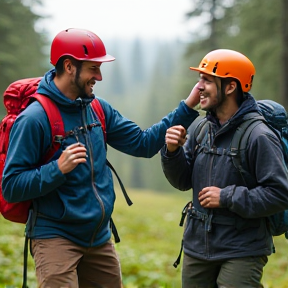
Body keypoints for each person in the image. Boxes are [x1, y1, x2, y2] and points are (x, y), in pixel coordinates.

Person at [2, 28, 200, 288]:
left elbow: (143, 143)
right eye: (93, 68)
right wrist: (57, 169)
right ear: (69, 66)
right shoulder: (34, 119)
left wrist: (188, 105)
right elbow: (11, 186)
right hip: (55, 240)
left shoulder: (96, 108)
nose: (99, 76)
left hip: (98, 239)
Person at [160, 49, 288, 288]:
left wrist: (227, 196)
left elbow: (280, 194)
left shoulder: (259, 136)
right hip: (197, 247)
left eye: (207, 80)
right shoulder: (200, 129)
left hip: (242, 248)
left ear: (230, 87)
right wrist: (172, 151)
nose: (198, 87)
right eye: (199, 79)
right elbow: (182, 181)